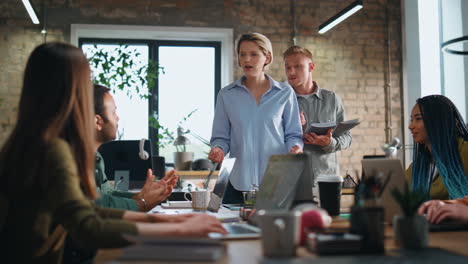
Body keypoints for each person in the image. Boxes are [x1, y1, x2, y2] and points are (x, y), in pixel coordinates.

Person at [0, 42, 226, 263]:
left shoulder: (27, 142)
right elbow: (86, 225)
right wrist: (178, 230)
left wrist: (161, 221)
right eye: (84, 81)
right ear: (70, 88)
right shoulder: (53, 149)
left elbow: (89, 208)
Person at [209, 33, 304, 204]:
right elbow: (221, 137)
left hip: (276, 182)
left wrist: (296, 148)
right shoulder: (226, 95)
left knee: (275, 230)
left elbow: (293, 134)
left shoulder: (285, 93)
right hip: (237, 182)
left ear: (267, 57)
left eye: (253, 54)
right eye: (242, 54)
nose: (247, 59)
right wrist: (218, 149)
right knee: (234, 230)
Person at [93, 84, 177, 212]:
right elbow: (97, 203)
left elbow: (107, 194)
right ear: (97, 121)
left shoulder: (97, 157)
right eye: (113, 112)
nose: (117, 117)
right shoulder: (75, 158)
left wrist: (140, 196)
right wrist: (142, 203)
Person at [283, 45, 352, 190]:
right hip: (293, 184)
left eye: (297, 66)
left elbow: (347, 137)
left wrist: (329, 143)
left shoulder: (331, 99)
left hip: (328, 181)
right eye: (288, 67)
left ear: (311, 67)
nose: (291, 72)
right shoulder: (280, 102)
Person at [407, 94, 468, 200]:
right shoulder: (416, 167)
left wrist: (446, 207)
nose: (411, 126)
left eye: (418, 119)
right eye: (411, 120)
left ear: (437, 121)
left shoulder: (464, 152)